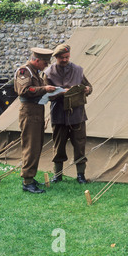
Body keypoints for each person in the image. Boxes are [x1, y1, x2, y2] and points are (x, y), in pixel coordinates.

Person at [43, 44, 93, 184]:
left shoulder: (78, 70)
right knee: (58, 146)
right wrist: (60, 92)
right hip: (59, 115)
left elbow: (90, 87)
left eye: (67, 57)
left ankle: (80, 175)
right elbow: (46, 94)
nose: (65, 60)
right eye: (62, 58)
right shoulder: (48, 73)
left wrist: (87, 89)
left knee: (79, 145)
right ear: (56, 58)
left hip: (77, 114)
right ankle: (57, 175)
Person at [14, 48, 56, 194]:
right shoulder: (24, 71)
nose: (46, 65)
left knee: (36, 146)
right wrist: (44, 89)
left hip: (36, 111)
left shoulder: (35, 72)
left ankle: (30, 177)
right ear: (36, 60)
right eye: (44, 62)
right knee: (30, 147)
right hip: (29, 112)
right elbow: (24, 90)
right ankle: (27, 181)